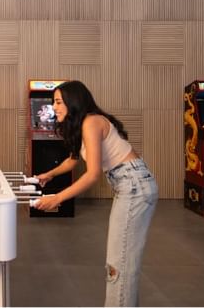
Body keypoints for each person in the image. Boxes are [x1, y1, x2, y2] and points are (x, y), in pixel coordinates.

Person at [33, 80, 158, 307]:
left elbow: (92, 175)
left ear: (74, 102)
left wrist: (57, 198)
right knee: (121, 262)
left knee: (118, 264)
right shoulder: (84, 124)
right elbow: (73, 160)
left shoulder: (91, 122)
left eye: (59, 102)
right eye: (54, 103)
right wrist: (49, 174)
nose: (55, 108)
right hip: (131, 184)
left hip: (134, 185)